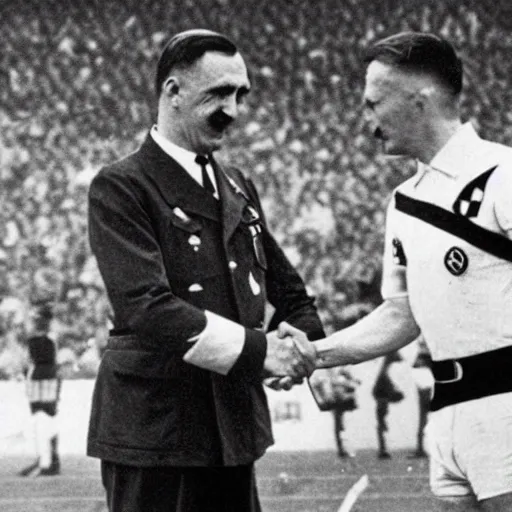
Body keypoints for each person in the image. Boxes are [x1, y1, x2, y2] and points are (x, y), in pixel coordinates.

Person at [86, 29, 323, 512]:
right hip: (158, 435)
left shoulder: (237, 185)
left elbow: (288, 292)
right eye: (218, 93)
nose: (232, 110)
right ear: (172, 92)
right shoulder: (121, 186)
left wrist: (308, 348)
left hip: (231, 430)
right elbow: (146, 308)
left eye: (240, 95)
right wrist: (263, 354)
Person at [280, 32, 512, 511]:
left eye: (374, 105)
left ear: (419, 100)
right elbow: (402, 314)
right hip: (447, 414)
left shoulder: (502, 174)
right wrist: (314, 354)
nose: (367, 122)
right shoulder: (404, 203)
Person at [19, 302, 61, 477]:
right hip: (39, 375)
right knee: (40, 419)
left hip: (45, 376)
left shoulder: (50, 335)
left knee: (45, 418)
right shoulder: (41, 334)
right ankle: (46, 458)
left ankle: (49, 460)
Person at [371, 350, 403, 459]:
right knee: (382, 424)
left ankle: (383, 449)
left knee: (382, 424)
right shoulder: (385, 373)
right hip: (382, 399)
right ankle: (383, 449)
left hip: (382, 398)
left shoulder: (384, 372)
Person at [409, 335, 433, 459]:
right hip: (425, 388)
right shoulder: (425, 357)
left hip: (426, 389)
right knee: (424, 419)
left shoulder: (424, 358)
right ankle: (421, 448)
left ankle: (421, 448)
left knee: (424, 418)